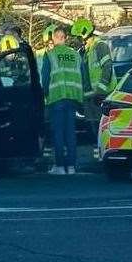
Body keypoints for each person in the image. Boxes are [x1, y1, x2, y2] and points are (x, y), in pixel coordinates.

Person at [40, 26, 84, 175]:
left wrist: (45, 94)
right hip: (73, 97)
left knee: (58, 132)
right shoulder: (76, 56)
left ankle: (59, 166)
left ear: (53, 38)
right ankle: (71, 167)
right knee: (70, 132)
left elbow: (45, 78)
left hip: (56, 97)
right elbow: (82, 76)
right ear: (65, 38)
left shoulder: (50, 55)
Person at [71, 17, 117, 139]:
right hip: (89, 96)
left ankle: (102, 151)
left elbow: (107, 67)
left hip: (101, 94)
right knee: (92, 126)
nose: (75, 40)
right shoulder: (84, 51)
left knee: (101, 126)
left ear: (83, 35)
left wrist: (101, 90)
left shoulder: (99, 46)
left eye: (77, 37)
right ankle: (96, 150)